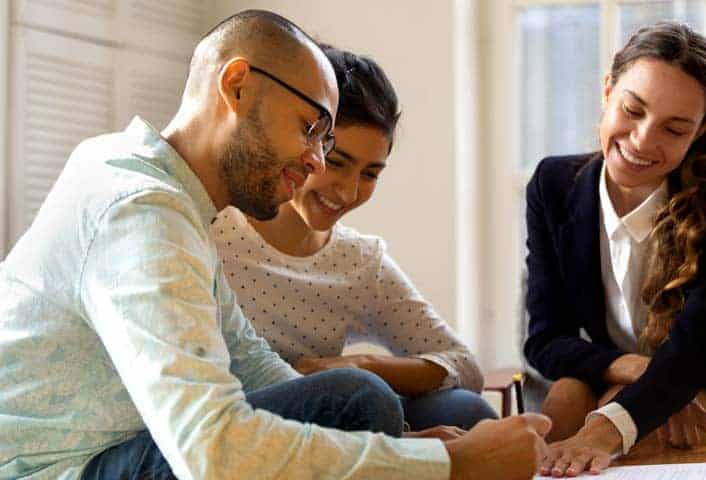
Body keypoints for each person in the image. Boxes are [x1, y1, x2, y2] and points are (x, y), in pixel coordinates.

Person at [0, 9, 550, 480]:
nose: (315, 161)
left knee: (360, 398)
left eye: (325, 141)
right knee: (360, 404)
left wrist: (407, 447)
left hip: (111, 450)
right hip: (61, 468)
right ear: (237, 86)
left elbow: (249, 357)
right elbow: (212, 450)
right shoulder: (142, 210)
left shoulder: (158, 184)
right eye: (311, 129)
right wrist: (447, 466)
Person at [211, 44, 496, 433]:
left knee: (462, 410)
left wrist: (359, 365)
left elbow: (463, 365)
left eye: (370, 174)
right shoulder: (214, 232)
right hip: (235, 428)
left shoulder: (357, 261)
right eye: (338, 162)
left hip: (333, 421)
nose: (347, 191)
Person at [523, 22, 706, 476]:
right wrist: (631, 367)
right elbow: (546, 339)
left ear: (700, 131)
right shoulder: (554, 185)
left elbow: (694, 355)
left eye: (674, 129)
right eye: (633, 109)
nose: (643, 140)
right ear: (608, 91)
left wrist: (607, 428)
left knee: (616, 408)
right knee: (569, 392)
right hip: (624, 377)